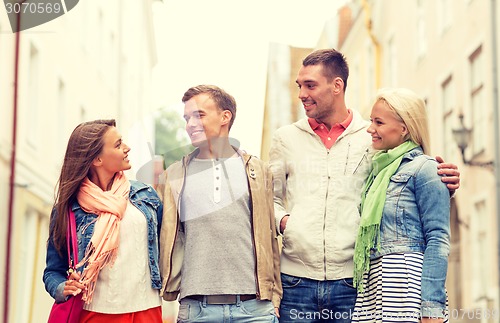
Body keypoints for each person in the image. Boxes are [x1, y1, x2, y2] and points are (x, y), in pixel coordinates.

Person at [268, 49, 459, 323]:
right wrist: (287, 222)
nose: (301, 94)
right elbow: (269, 201)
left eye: (310, 85)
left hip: (354, 282)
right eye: (300, 86)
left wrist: (445, 181)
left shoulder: (371, 138)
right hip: (297, 281)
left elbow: (405, 174)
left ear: (337, 86)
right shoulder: (285, 138)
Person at [157, 85, 282, 323]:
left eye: (199, 115)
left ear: (226, 117)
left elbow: (269, 238)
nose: (190, 124)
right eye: (187, 118)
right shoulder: (174, 176)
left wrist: (274, 298)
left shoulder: (258, 171)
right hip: (197, 310)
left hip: (255, 310)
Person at [43, 119, 163, 323]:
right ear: (97, 159)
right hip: (95, 313)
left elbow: (165, 248)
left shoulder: (146, 197)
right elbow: (53, 271)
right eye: (117, 145)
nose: (127, 148)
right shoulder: (69, 208)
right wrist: (63, 288)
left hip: (147, 310)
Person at [351, 87, 450, 323]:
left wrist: (431, 309)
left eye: (379, 122)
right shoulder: (378, 172)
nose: (370, 129)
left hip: (406, 287)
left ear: (404, 128)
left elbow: (438, 239)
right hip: (374, 285)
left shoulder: (425, 169)